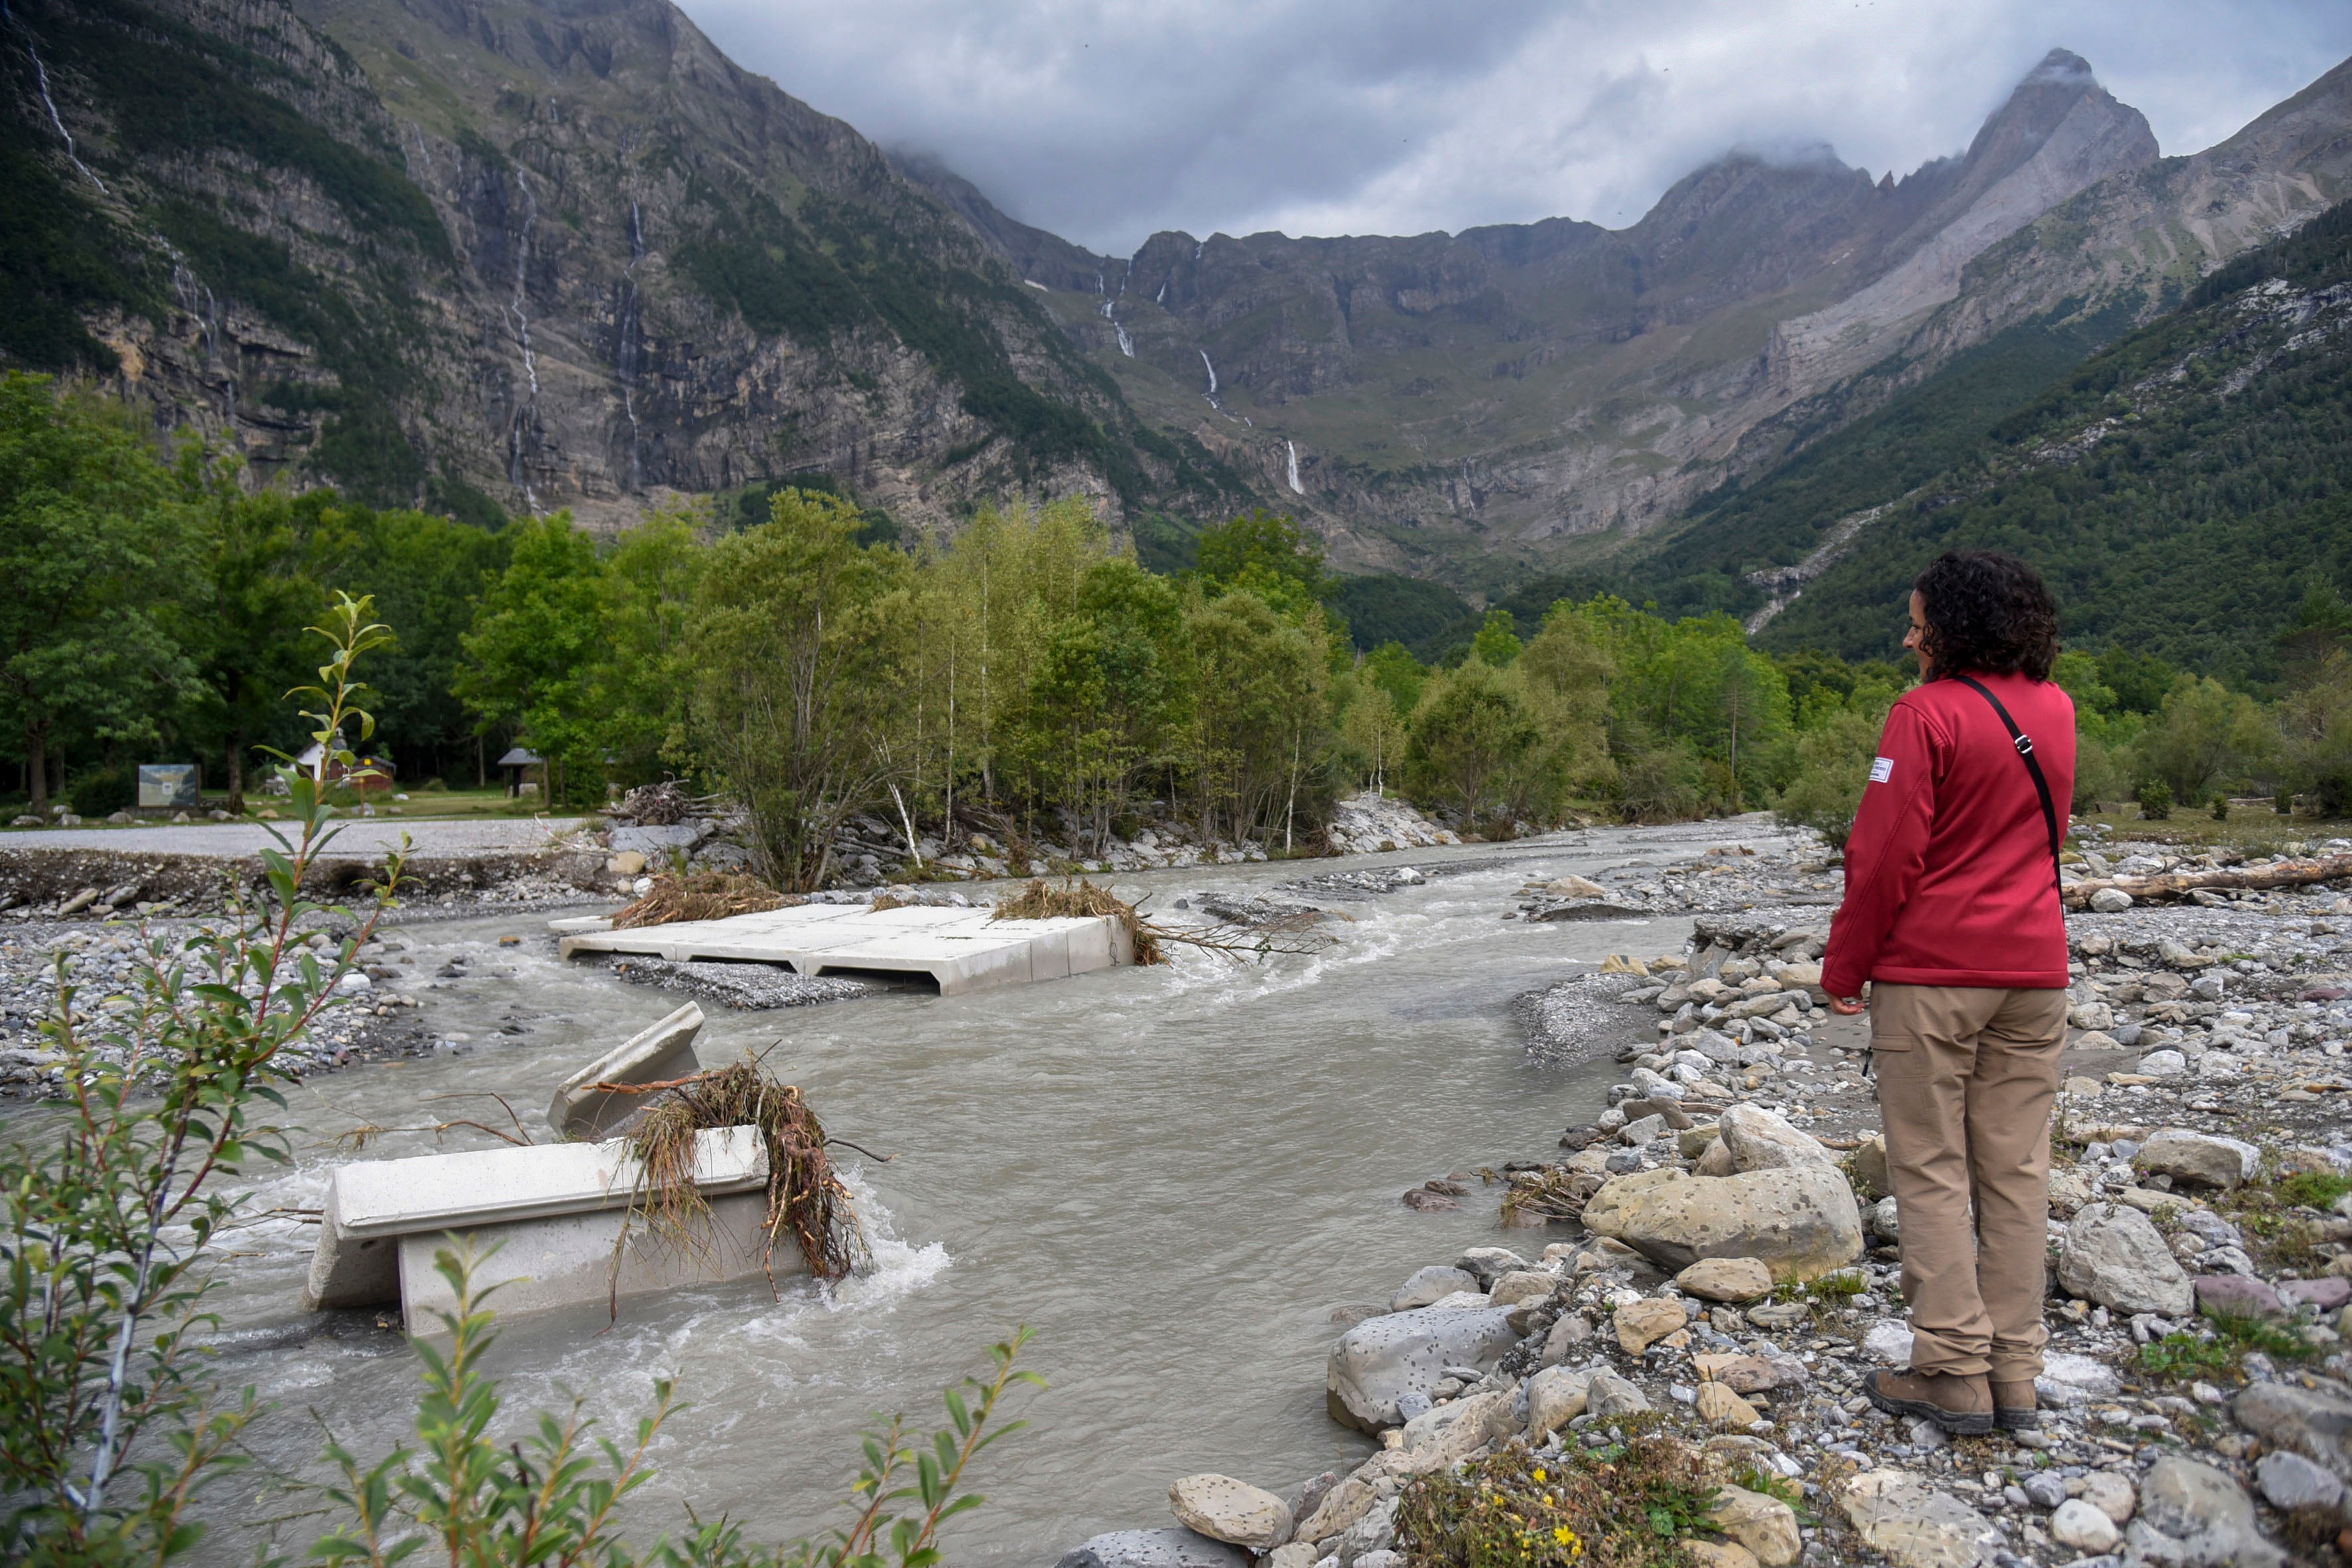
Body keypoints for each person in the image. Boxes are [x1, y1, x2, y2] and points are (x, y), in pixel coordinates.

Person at [1822, 550, 2077, 1436]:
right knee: (2016, 1172)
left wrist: (1844, 969)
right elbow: (2043, 840)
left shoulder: (1921, 715)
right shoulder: (2058, 710)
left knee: (1930, 1169)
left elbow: (1884, 858)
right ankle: (2017, 1377)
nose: (1908, 635)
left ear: (1953, 629)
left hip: (1933, 973)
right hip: (2036, 972)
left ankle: (1953, 1371)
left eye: (1917, 621)